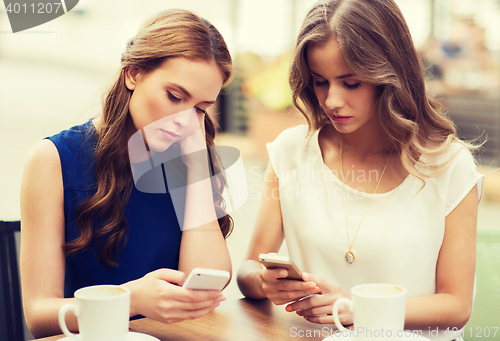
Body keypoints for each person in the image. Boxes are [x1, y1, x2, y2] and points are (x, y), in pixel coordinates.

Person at [237, 1, 484, 340]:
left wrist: (356, 307)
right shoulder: (291, 151)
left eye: (350, 83)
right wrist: (265, 283)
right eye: (320, 81)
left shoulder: (448, 165)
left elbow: (456, 307)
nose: (332, 100)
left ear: (390, 76)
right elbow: (249, 268)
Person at [20, 9, 233, 338]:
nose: (185, 121)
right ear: (133, 74)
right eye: (174, 97)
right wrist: (130, 300)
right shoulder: (53, 159)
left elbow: (205, 285)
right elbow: (38, 315)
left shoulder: (190, 157)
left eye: (201, 108)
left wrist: (196, 170)